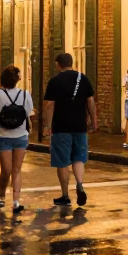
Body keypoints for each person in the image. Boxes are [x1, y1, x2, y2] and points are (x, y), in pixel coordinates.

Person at [43, 52, 96, 208]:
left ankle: (65, 195)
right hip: (80, 126)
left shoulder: (55, 81)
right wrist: (94, 122)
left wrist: (48, 127)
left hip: (61, 127)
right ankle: (79, 184)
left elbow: (50, 106)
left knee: (63, 161)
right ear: (71, 63)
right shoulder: (83, 79)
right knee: (78, 158)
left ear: (58, 65)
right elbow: (90, 102)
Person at [0, 64, 34, 213]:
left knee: (12, 170)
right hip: (10, 136)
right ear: (16, 79)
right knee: (10, 170)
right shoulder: (8, 94)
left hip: (13, 136)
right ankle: (4, 196)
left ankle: (14, 201)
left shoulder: (4, 94)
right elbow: (29, 115)